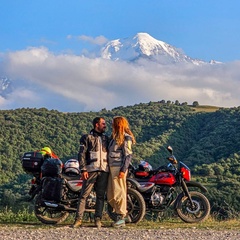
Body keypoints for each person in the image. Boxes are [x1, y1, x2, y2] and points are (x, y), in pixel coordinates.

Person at [72, 117, 109, 228]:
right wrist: (83, 169)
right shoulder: (87, 137)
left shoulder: (106, 138)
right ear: (96, 125)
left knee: (100, 196)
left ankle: (98, 219)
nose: (105, 125)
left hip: (104, 170)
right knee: (84, 195)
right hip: (91, 169)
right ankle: (78, 219)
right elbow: (81, 154)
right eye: (103, 123)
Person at [107, 116, 136, 228]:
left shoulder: (126, 138)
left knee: (119, 192)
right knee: (111, 193)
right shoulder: (114, 137)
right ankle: (124, 214)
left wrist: (123, 170)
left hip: (118, 168)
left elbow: (128, 155)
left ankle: (121, 216)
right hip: (112, 167)